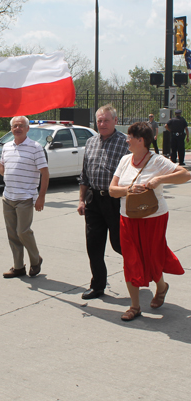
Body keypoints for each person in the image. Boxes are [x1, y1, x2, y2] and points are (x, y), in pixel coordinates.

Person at [109, 122, 190, 321]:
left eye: (129, 136)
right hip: (128, 218)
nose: (126, 139)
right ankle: (134, 306)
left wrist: (160, 180)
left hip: (154, 217)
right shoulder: (125, 160)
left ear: (141, 140)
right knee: (131, 259)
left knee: (153, 256)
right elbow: (112, 190)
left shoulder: (157, 161)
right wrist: (128, 190)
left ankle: (161, 288)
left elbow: (185, 175)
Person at [77, 104, 130, 299]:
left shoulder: (126, 143)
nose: (102, 124)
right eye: (99, 120)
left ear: (116, 121)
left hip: (116, 201)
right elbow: (84, 175)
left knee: (119, 244)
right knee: (94, 246)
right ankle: (97, 285)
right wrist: (81, 200)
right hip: (93, 202)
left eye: (106, 120)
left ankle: (140, 274)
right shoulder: (90, 142)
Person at [0, 116, 49, 278]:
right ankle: (18, 267)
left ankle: (35, 260)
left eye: (21, 126)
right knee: (12, 234)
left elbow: (45, 173)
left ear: (27, 129)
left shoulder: (35, 147)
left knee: (23, 232)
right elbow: (4, 172)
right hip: (8, 196)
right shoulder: (7, 147)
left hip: (26, 197)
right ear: (11, 129)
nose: (17, 128)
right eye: (15, 126)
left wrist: (41, 197)